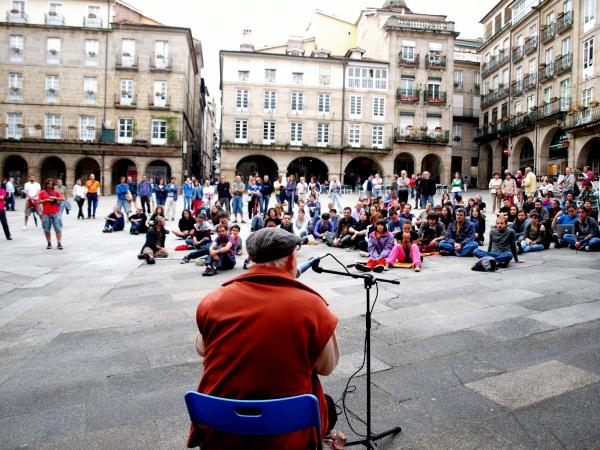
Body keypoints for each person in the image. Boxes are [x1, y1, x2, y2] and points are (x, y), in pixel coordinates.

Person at [188, 226, 339, 448]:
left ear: (251, 259)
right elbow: (327, 367)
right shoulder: (313, 306)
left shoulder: (213, 300)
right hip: (286, 432)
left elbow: (203, 349)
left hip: (220, 425)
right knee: (328, 405)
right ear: (290, 261)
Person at [38, 179, 64, 249]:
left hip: (56, 212)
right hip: (46, 213)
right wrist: (46, 200)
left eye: (51, 184)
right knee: (46, 229)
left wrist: (55, 198)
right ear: (46, 184)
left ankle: (59, 243)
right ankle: (49, 243)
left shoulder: (55, 192)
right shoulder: (42, 192)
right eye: (48, 184)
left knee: (57, 228)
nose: (50, 185)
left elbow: (63, 198)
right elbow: (38, 202)